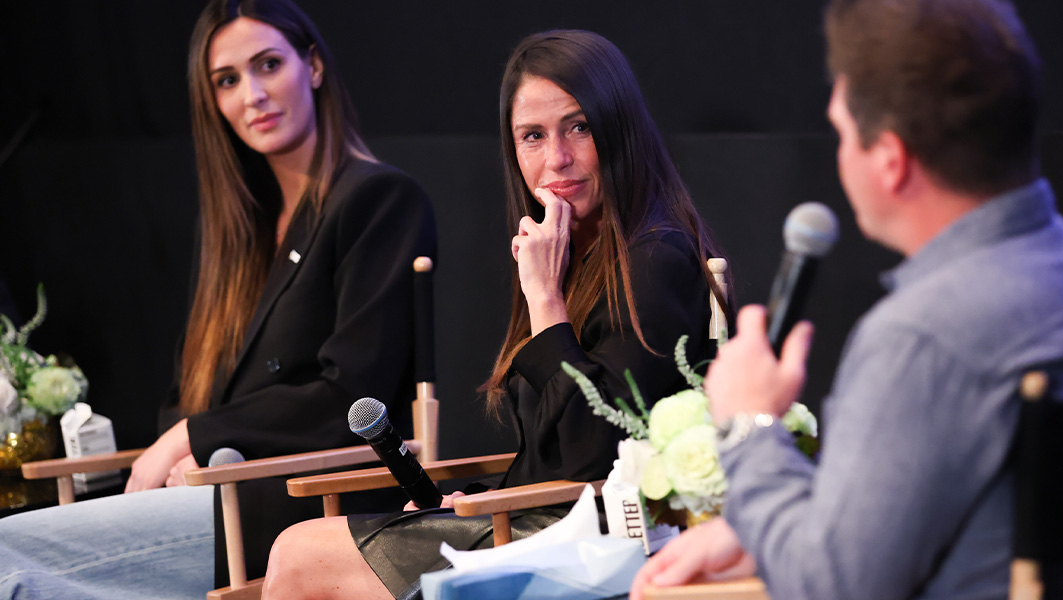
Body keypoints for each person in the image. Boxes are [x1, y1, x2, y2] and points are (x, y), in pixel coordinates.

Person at [632, 0, 1063, 599]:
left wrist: (749, 425)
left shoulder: (924, 335)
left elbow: (832, 588)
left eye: (843, 133)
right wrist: (762, 523)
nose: (838, 154)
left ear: (890, 161)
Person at [261, 29, 732, 600]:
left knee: (300, 554)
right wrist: (481, 497)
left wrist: (545, 301)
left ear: (619, 129)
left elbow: (593, 458)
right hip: (538, 522)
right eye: (532, 136)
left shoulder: (654, 254)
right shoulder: (578, 251)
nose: (556, 158)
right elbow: (552, 452)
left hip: (598, 546)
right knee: (303, 550)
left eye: (579, 128)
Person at [0, 0, 435, 597]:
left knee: (10, 561)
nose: (251, 94)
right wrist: (188, 443)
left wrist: (189, 438)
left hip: (304, 507)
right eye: (227, 81)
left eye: (267, 65)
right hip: (215, 496)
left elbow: (350, 396)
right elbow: (192, 391)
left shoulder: (377, 198)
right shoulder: (240, 230)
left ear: (312, 66)